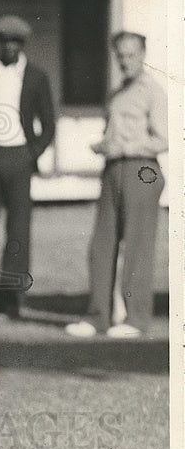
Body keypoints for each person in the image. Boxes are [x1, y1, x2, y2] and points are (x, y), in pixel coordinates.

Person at [65, 32, 168, 339]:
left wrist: (123, 147)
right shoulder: (116, 94)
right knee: (101, 245)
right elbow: (114, 133)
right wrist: (104, 145)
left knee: (137, 245)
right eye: (121, 55)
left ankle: (135, 320)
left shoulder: (153, 92)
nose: (126, 61)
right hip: (113, 170)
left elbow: (162, 139)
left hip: (142, 170)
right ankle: (98, 317)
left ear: (143, 54)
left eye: (132, 54)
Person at [0, 15, 55, 318]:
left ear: (23, 44)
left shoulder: (36, 77)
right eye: (4, 42)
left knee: (18, 231)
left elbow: (49, 124)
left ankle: (10, 297)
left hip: (19, 157)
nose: (9, 48)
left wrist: (32, 153)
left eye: (15, 42)